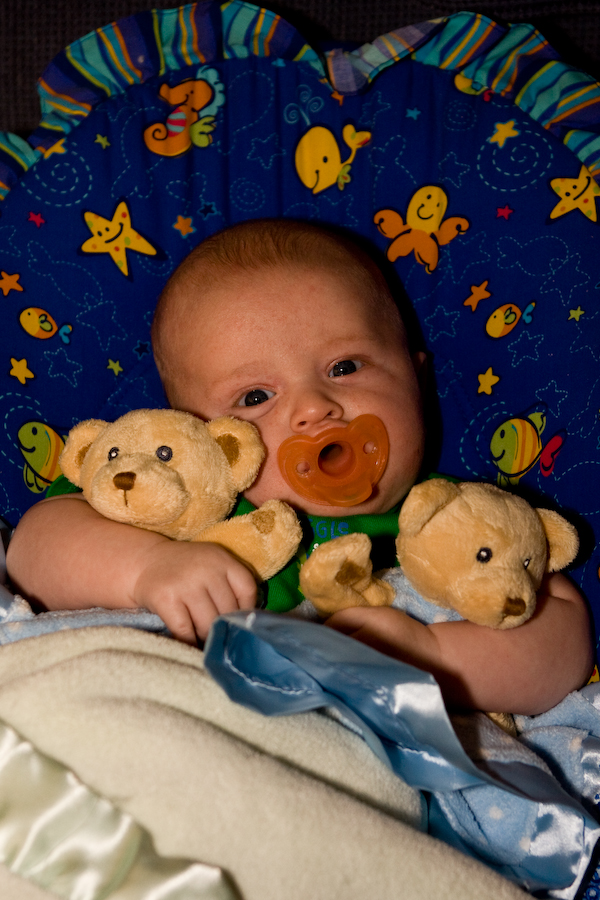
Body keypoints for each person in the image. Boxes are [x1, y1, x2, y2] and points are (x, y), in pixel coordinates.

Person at [6, 219, 592, 716]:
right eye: (255, 397)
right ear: (204, 436)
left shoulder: (451, 519)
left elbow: (564, 639)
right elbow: (34, 550)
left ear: (416, 377)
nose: (314, 408)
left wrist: (432, 654)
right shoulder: (175, 495)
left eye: (344, 367)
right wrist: (147, 567)